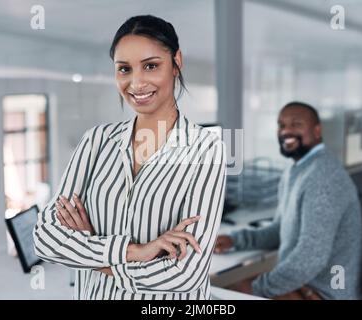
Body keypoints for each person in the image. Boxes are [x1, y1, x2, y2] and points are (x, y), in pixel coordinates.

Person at [33, 15, 226, 300]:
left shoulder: (206, 149)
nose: (136, 83)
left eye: (151, 66)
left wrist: (92, 250)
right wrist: (136, 251)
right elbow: (45, 238)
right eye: (124, 69)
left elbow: (186, 273)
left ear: (177, 62)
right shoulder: (96, 140)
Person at [215, 102, 362, 299]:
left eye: (296, 124)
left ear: (317, 130)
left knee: (225, 295)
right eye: (282, 125)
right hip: (307, 282)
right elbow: (280, 230)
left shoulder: (323, 178)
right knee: (230, 290)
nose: (286, 131)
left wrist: (256, 289)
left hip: (326, 292)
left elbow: (309, 259)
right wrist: (235, 240)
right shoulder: (298, 169)